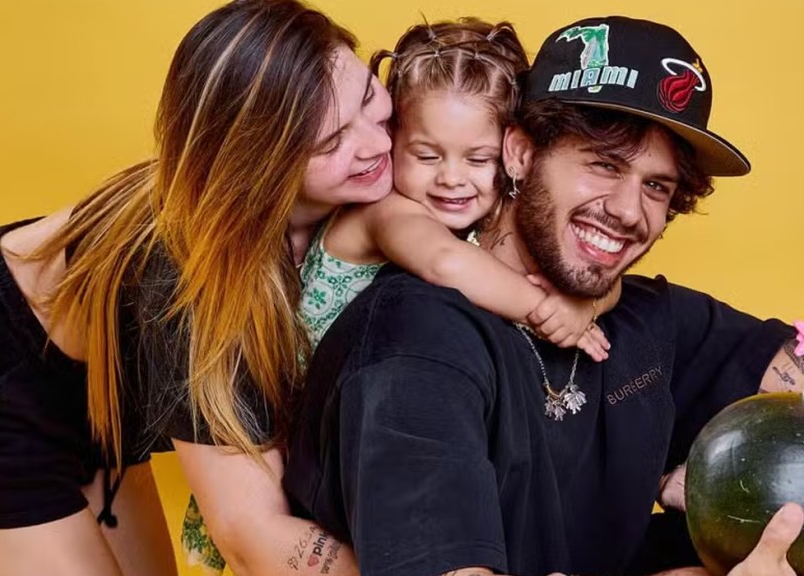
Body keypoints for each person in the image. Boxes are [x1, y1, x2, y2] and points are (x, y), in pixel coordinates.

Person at [283, 15, 804, 576]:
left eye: (657, 186)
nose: (629, 211)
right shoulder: (415, 345)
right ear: (520, 153)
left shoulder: (647, 316)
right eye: (604, 164)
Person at [0, 1, 392, 575]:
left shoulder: (342, 176)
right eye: (330, 142)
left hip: (85, 393)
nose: (376, 143)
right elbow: (248, 533)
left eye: (369, 96)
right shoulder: (191, 275)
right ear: (259, 160)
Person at [182, 18, 617, 574]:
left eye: (476, 159)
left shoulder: (481, 222)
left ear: (512, 153)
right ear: (397, 140)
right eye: (426, 156)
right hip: (304, 449)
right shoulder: (385, 212)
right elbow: (444, 262)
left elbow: (587, 273)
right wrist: (546, 310)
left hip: (367, 442)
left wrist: (587, 303)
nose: (452, 179)